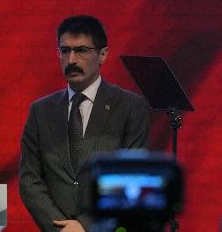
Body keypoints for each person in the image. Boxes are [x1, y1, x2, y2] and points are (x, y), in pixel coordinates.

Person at [19, 15, 150, 231]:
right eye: (65, 50)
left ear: (103, 55)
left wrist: (86, 225)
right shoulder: (40, 111)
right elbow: (29, 181)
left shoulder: (130, 107)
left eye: (81, 50)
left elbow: (130, 177)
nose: (71, 60)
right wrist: (61, 228)